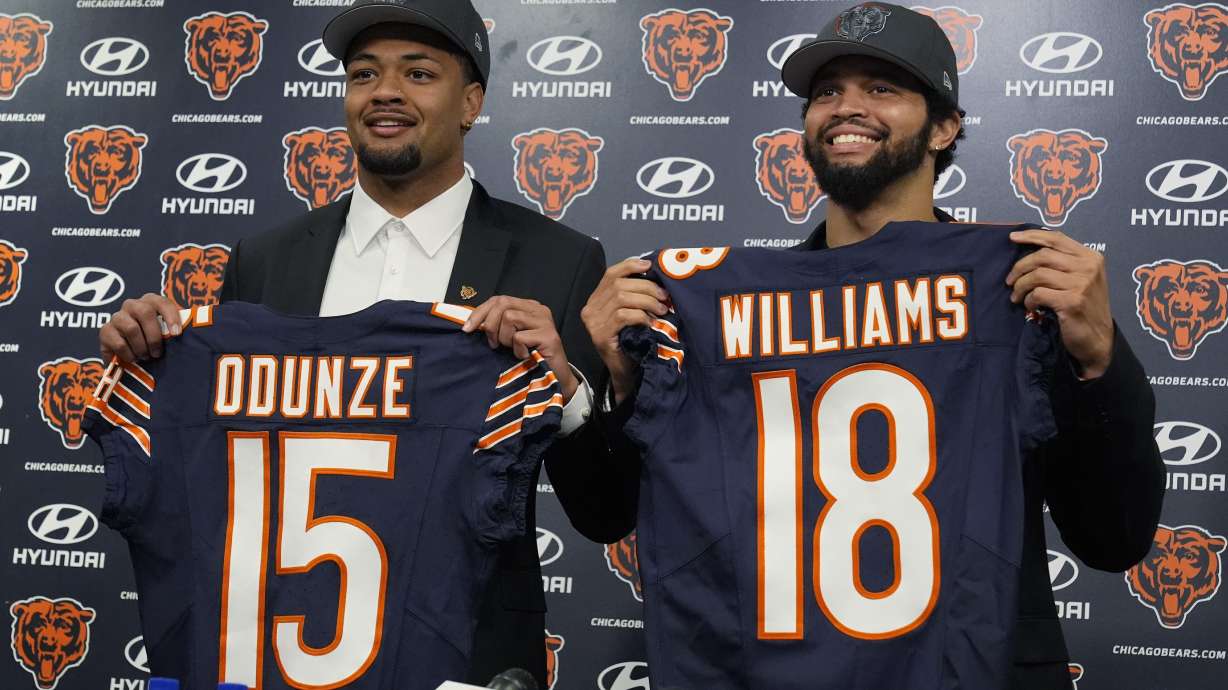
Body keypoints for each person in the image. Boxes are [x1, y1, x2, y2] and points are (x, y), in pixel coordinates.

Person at [580, 4, 1164, 688]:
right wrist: (616, 380)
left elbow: (1114, 540)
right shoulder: (708, 309)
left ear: (945, 126)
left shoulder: (1018, 290)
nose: (846, 107)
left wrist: (1097, 360)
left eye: (882, 88)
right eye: (826, 92)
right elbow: (602, 516)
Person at [97, 0, 627, 684]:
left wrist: (568, 393)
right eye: (363, 73)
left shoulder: (557, 261)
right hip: (282, 652)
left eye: (418, 73)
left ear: (470, 103)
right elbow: (222, 478)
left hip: (467, 662)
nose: (384, 92)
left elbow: (605, 514)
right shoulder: (264, 260)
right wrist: (152, 358)